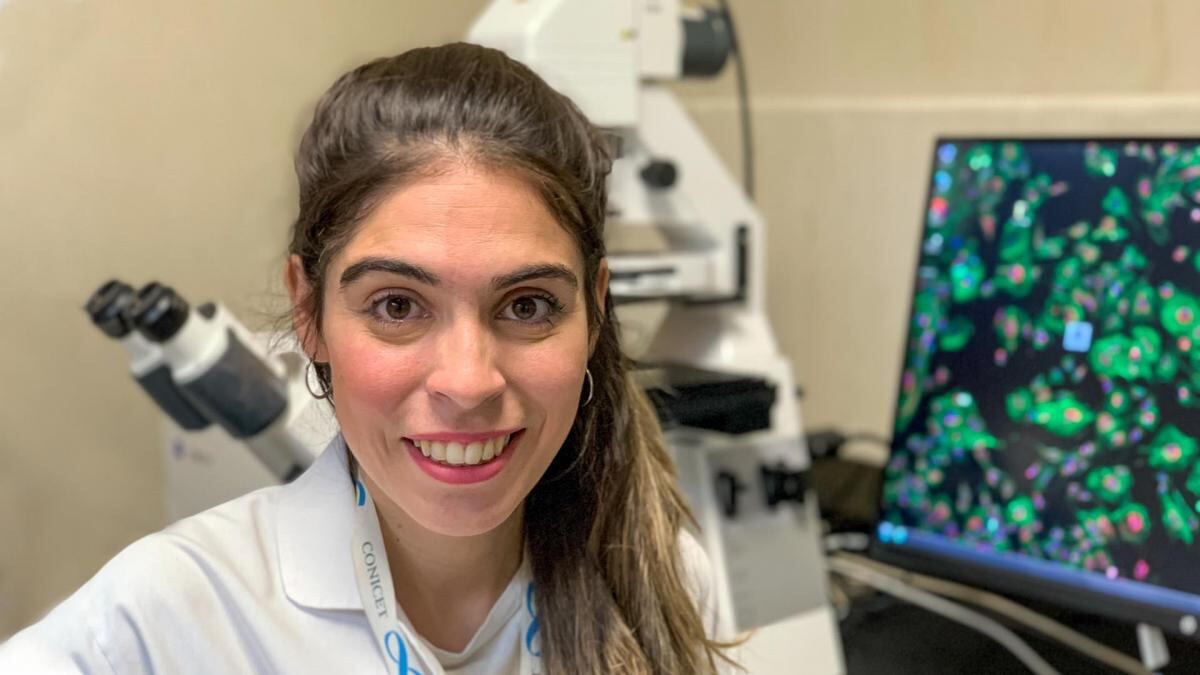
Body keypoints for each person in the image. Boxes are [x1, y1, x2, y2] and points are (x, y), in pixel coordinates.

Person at [0, 42, 738, 674]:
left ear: (596, 308)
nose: (468, 382)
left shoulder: (662, 580)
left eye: (527, 306)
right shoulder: (168, 617)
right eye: (397, 306)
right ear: (308, 311)